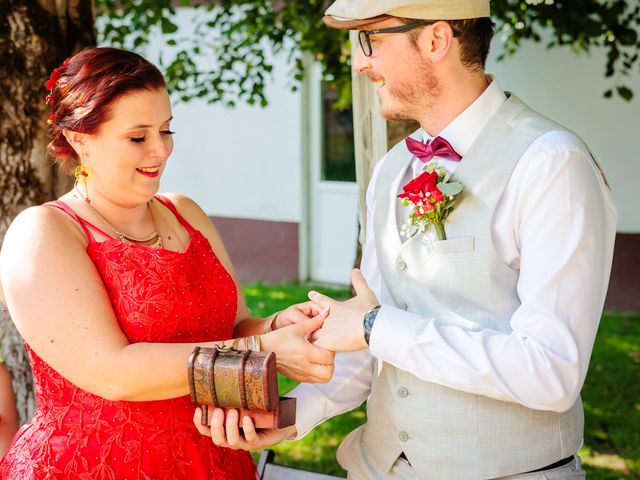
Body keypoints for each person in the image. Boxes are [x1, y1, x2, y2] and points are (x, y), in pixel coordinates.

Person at [199, 1, 618, 478]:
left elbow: (551, 372)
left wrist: (376, 326)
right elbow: (374, 341)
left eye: (370, 40)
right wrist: (290, 414)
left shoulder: (550, 165)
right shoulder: (392, 168)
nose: (358, 62)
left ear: (436, 40)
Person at [0, 46, 334, 479]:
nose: (160, 150)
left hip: (213, 456)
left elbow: (233, 329)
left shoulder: (185, 212)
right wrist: (261, 349)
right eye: (138, 137)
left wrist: (276, 327)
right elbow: (113, 372)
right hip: (97, 465)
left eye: (167, 129)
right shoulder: (45, 232)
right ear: (80, 140)